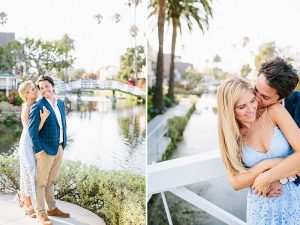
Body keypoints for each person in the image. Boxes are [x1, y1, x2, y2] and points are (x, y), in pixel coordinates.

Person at [217, 76, 300, 224]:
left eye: (252, 100)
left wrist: (267, 177)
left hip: (294, 198)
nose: (251, 110)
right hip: (261, 206)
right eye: (241, 107)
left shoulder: (274, 112)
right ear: (229, 110)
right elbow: (236, 182)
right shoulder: (232, 136)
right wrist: (267, 165)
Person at [253, 56, 300, 193]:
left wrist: (272, 177)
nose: (255, 99)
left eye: (265, 97)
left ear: (282, 98)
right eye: (256, 90)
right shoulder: (244, 103)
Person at [28, 76, 69, 225]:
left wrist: (64, 142)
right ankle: (41, 214)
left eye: (47, 86)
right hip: (45, 150)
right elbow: (32, 131)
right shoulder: (38, 106)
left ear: (53, 86)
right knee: (41, 183)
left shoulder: (60, 103)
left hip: (59, 147)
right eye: (41, 88)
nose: (45, 90)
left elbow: (62, 124)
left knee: (51, 180)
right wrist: (39, 150)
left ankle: (52, 208)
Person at [17, 81, 50, 218]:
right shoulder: (26, 108)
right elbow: (31, 132)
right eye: (32, 89)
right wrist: (43, 119)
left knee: (32, 173)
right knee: (29, 172)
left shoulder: (35, 105)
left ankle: (24, 198)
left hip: (32, 143)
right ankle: (28, 204)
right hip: (26, 143)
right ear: (26, 94)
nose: (35, 91)